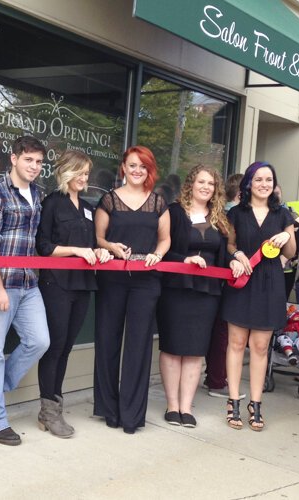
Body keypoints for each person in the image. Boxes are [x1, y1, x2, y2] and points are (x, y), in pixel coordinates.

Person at [0, 135, 50, 446]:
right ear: (14, 159)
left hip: (29, 283)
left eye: (39, 162)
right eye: (28, 159)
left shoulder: (38, 194)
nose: (34, 166)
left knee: (39, 341)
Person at [94, 145, 170, 434]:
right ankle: (108, 409)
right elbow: (99, 238)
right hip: (112, 278)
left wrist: (158, 255)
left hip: (146, 281)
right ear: (123, 168)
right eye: (132, 165)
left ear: (149, 170)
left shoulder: (158, 202)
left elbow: (165, 239)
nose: (137, 170)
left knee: (138, 346)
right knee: (107, 341)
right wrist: (111, 246)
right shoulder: (108, 200)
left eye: (143, 166)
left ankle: (132, 414)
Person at [35, 150, 111, 438]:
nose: (84, 178)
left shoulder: (88, 208)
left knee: (66, 347)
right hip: (57, 283)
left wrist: (100, 251)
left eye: (87, 173)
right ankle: (48, 411)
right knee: (54, 347)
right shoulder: (52, 203)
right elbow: (44, 245)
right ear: (66, 171)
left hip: (82, 284)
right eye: (79, 172)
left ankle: (56, 404)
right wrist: (77, 251)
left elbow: (91, 243)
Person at [156, 165, 240, 427]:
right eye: (201, 181)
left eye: (211, 184)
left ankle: (186, 407)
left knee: (195, 350)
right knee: (172, 348)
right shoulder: (173, 212)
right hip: (176, 289)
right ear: (191, 183)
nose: (206, 187)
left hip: (207, 292)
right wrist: (185, 259)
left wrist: (235, 259)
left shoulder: (220, 218)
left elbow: (226, 251)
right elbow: (161, 249)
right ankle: (172, 406)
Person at [222, 161, 296, 431]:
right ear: (249, 184)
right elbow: (229, 244)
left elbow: (291, 254)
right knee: (236, 343)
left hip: (270, 283)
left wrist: (284, 237)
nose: (264, 184)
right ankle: (233, 402)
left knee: (261, 347)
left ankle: (256, 404)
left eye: (268, 180)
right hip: (243, 281)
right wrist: (237, 254)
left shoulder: (283, 215)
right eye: (258, 179)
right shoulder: (236, 214)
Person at [204, 172, 245, 399]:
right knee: (221, 333)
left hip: (216, 280)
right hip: (222, 281)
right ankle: (217, 379)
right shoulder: (228, 218)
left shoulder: (221, 215)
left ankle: (215, 376)